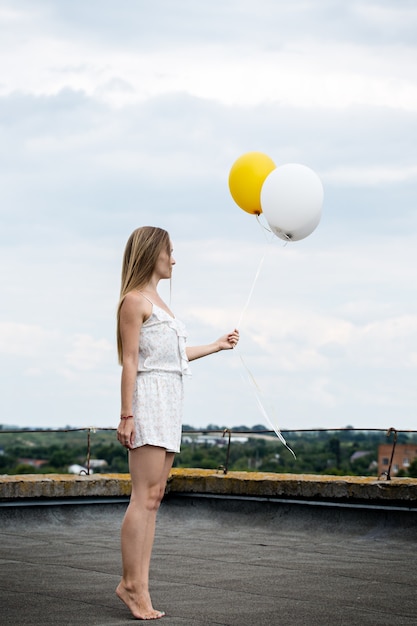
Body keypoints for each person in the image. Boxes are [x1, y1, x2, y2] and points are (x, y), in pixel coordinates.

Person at [115, 226, 239, 620]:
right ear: (153, 253)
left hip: (171, 400)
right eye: (170, 251)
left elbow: (175, 355)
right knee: (142, 496)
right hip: (149, 401)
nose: (174, 259)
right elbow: (131, 362)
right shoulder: (133, 302)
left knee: (155, 497)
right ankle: (131, 586)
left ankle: (139, 585)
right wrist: (126, 415)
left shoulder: (159, 304)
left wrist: (216, 346)